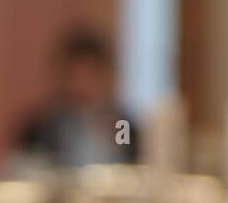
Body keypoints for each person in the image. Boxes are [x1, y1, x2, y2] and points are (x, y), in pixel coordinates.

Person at [13, 28, 136, 167]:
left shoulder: (122, 122)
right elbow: (23, 167)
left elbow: (129, 161)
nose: (83, 83)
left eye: (91, 73)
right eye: (76, 75)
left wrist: (111, 141)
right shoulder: (41, 126)